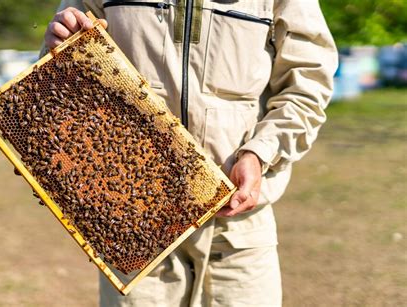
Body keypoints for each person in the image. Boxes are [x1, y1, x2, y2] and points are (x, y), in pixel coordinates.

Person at [42, 0, 338, 306]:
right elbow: (59, 76)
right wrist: (61, 41)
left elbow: (307, 83)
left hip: (236, 229)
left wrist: (259, 153)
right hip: (135, 226)